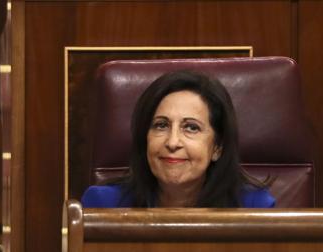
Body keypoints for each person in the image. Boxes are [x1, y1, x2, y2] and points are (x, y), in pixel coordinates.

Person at [81, 70, 275, 208]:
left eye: (191, 128)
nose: (172, 142)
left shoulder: (254, 207)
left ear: (217, 147)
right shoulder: (104, 204)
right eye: (161, 125)